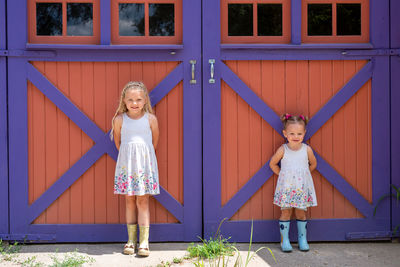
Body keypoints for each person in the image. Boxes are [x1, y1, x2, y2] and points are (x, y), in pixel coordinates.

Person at [111, 81, 160, 257]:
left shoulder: (151, 119)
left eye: (139, 99)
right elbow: (118, 143)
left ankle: (144, 241)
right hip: (127, 166)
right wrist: (129, 158)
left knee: (143, 201)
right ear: (124, 100)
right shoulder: (119, 120)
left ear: (145, 100)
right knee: (129, 201)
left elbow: (153, 143)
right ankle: (131, 240)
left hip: (144, 166)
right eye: (130, 99)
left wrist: (142, 158)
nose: (135, 103)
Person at [269, 114, 317, 252]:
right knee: (286, 213)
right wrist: (283, 175)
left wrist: (304, 175)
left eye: (299, 133)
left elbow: (313, 164)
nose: (296, 136)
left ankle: (302, 239)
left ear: (304, 133)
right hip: (287, 188)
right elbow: (272, 164)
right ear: (285, 133)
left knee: (301, 213)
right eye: (292, 133)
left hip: (301, 189)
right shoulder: (283, 149)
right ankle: (285, 240)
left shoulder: (306, 149)